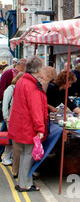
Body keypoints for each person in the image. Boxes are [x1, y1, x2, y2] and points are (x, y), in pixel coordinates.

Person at [8, 56, 47, 192]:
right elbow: (35, 109)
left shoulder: (22, 81)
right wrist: (40, 128)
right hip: (28, 125)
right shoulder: (32, 85)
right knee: (28, 154)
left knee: (25, 153)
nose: (43, 70)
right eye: (42, 68)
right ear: (37, 69)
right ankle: (24, 184)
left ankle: (24, 181)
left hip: (20, 123)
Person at [1, 72, 24, 172]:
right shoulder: (11, 89)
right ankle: (6, 157)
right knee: (10, 138)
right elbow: (5, 103)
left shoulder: (18, 89)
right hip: (10, 117)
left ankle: (9, 157)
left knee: (12, 138)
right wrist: (6, 116)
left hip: (15, 117)